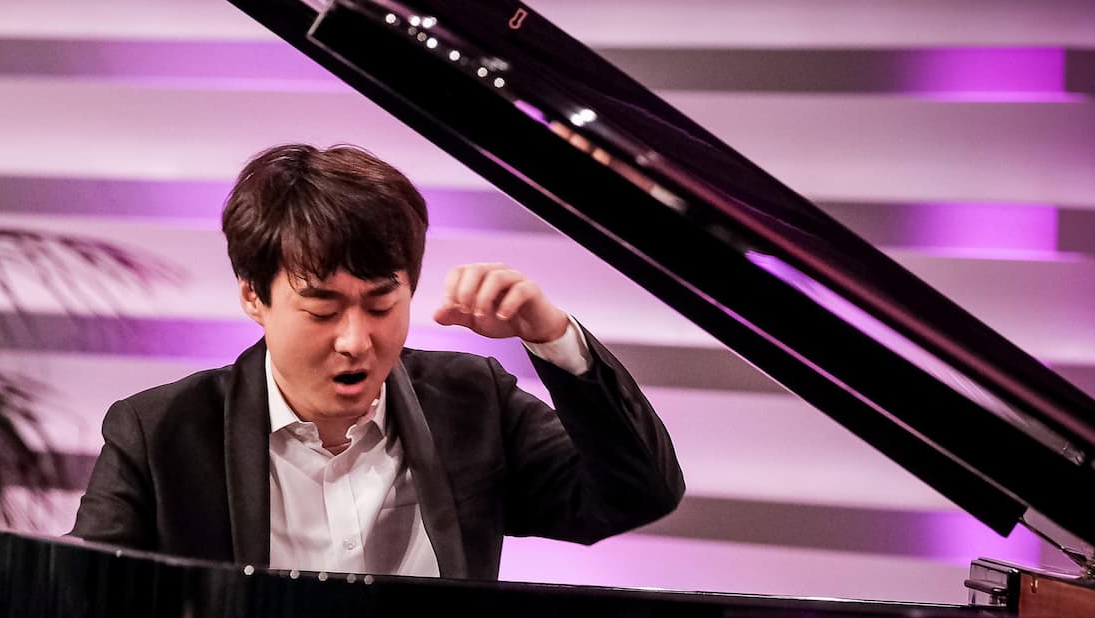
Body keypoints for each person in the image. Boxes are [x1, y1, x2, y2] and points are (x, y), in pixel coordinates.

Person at [68, 143, 682, 580]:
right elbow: (81, 603)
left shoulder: (472, 401)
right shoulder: (161, 432)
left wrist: (552, 337)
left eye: (382, 302)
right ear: (254, 295)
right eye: (322, 308)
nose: (356, 340)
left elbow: (638, 494)